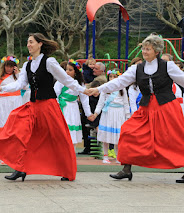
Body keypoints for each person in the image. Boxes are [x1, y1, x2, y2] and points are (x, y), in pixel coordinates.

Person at [84, 34, 184, 183]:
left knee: (175, 138)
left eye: (148, 49)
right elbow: (119, 82)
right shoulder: (136, 69)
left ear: (156, 51)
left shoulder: (167, 66)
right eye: (143, 48)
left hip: (167, 107)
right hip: (146, 108)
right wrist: (99, 89)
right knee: (128, 131)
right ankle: (126, 169)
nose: (144, 51)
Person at [0, 33, 86, 181]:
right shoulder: (27, 65)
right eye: (27, 42)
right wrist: (0, 88)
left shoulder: (49, 62)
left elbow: (66, 80)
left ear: (40, 44)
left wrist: (84, 90)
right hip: (33, 106)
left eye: (31, 42)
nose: (28, 45)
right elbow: (20, 84)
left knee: (58, 137)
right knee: (21, 133)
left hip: (48, 106)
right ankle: (20, 168)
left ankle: (66, 170)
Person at [92, 69, 130, 164]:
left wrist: (128, 116)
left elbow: (126, 103)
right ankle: (105, 156)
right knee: (106, 136)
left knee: (118, 136)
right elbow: (100, 103)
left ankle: (118, 156)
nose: (112, 78)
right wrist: (96, 113)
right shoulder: (105, 88)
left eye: (114, 76)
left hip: (119, 113)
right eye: (110, 77)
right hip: (108, 112)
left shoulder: (122, 89)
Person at [0, 55, 22, 165]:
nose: (9, 68)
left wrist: (18, 74)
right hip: (2, 104)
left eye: (11, 66)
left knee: (15, 130)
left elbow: (25, 86)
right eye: (7, 66)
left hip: (16, 104)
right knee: (2, 130)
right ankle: (2, 156)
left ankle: (14, 155)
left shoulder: (18, 77)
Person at [54, 59, 92, 147]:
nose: (67, 72)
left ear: (76, 72)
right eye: (66, 69)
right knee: (62, 131)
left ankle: (72, 155)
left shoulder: (80, 84)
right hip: (62, 107)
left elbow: (84, 99)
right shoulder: (61, 81)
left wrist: (88, 113)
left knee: (73, 133)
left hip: (73, 108)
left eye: (70, 70)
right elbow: (55, 94)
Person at [79, 62, 107, 155]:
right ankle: (88, 147)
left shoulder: (101, 79)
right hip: (91, 107)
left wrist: (81, 87)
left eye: (96, 68)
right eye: (93, 68)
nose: (93, 70)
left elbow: (88, 87)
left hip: (95, 109)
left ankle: (95, 148)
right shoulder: (95, 78)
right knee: (86, 126)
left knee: (93, 125)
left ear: (102, 71)